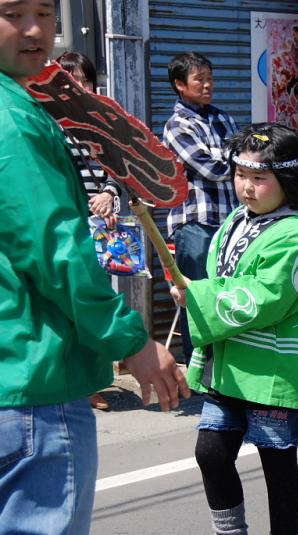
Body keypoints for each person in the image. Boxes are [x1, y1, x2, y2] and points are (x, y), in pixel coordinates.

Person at [0, 2, 189, 533]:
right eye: (14, 12)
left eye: (45, 10)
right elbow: (55, 248)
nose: (37, 29)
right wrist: (130, 340)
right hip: (32, 380)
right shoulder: (13, 119)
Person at [170, 123, 298, 535]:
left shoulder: (297, 232)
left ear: (288, 181)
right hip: (229, 363)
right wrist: (194, 293)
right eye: (241, 175)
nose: (246, 187)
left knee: (277, 463)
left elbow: (266, 296)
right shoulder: (236, 221)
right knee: (210, 452)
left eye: (260, 178)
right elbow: (221, 283)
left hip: (274, 367)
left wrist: (201, 296)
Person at [163, 51, 239, 363]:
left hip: (231, 222)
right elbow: (213, 168)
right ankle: (198, 365)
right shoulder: (176, 125)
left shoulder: (223, 118)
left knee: (225, 291)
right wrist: (235, 162)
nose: (208, 85)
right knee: (195, 294)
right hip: (195, 223)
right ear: (180, 85)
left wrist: (235, 162)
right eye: (200, 79)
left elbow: (242, 159)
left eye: (210, 78)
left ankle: (224, 360)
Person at [57, 50, 122, 411]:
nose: (78, 85)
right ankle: (69, 381)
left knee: (94, 301)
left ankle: (94, 383)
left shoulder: (101, 121)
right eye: (69, 79)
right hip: (61, 225)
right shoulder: (44, 121)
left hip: (98, 225)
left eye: (83, 79)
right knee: (66, 304)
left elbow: (119, 168)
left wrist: (110, 196)